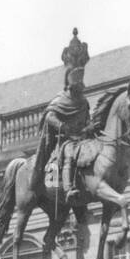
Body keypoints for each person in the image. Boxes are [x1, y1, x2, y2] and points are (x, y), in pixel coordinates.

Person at [32, 66, 92, 205]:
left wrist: (89, 127)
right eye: (77, 86)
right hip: (64, 140)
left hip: (82, 139)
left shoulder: (83, 102)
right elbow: (49, 117)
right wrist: (63, 127)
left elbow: (88, 120)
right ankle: (68, 189)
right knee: (70, 154)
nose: (80, 89)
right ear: (71, 86)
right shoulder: (60, 100)